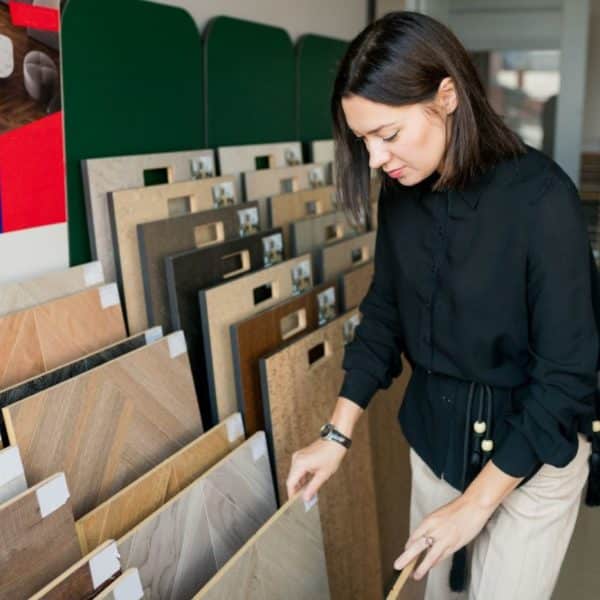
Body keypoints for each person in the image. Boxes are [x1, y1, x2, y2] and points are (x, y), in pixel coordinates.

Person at [285, 11, 600, 600]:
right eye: (363, 141)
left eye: (388, 134)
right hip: (436, 440)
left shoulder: (542, 199)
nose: (376, 158)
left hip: (531, 454)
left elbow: (566, 379)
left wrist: (475, 507)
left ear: (447, 96)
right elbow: (384, 315)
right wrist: (336, 434)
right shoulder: (402, 190)